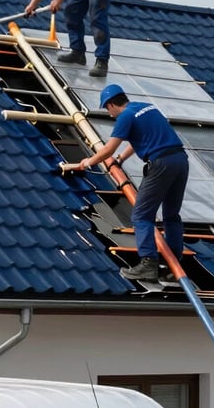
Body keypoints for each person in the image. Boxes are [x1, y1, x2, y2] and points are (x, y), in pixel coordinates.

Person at [61, 84, 189, 283]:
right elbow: (137, 139)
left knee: (140, 215)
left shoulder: (125, 117)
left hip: (161, 164)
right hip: (180, 160)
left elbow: (108, 150)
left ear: (112, 104)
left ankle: (148, 264)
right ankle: (174, 265)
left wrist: (85, 163)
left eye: (107, 109)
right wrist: (121, 160)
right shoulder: (146, 107)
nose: (110, 114)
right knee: (172, 215)